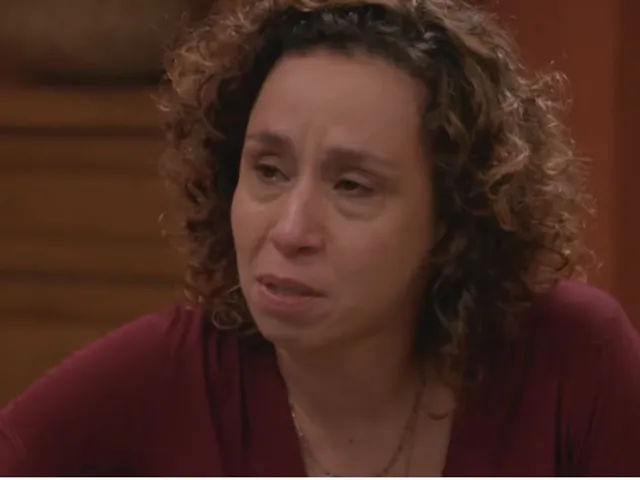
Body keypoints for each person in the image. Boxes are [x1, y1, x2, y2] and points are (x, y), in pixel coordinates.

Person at [2, 0, 640, 476]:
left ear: (451, 219)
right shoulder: (165, 376)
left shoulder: (573, 361)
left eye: (353, 186)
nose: (290, 230)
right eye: (269, 171)